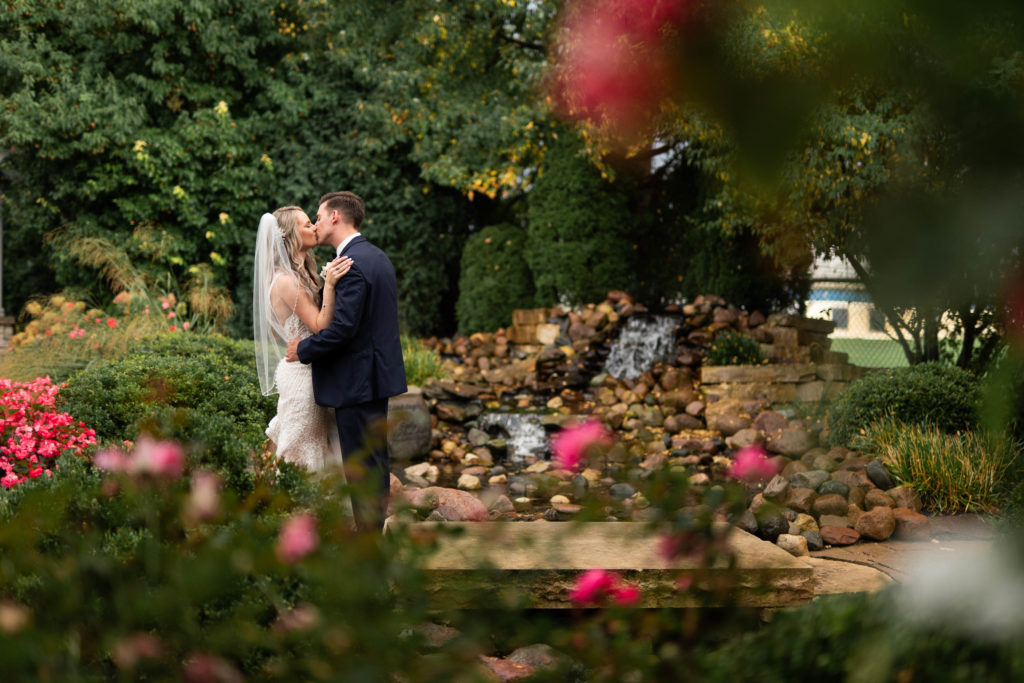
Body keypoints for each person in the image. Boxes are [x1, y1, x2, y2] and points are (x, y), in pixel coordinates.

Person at [285, 191, 407, 531]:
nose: (317, 224)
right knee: (375, 462)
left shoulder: (352, 264)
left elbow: (342, 331)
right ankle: (375, 538)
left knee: (361, 466)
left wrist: (302, 351)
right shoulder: (376, 256)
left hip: (356, 382)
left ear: (336, 216)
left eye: (320, 217)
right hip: (373, 378)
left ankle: (368, 548)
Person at [252, 206, 352, 472]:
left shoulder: (303, 273)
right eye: (307, 224)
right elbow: (320, 326)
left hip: (311, 370)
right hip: (302, 379)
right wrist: (329, 285)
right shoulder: (285, 281)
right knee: (300, 456)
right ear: (291, 236)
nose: (314, 228)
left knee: (317, 449)